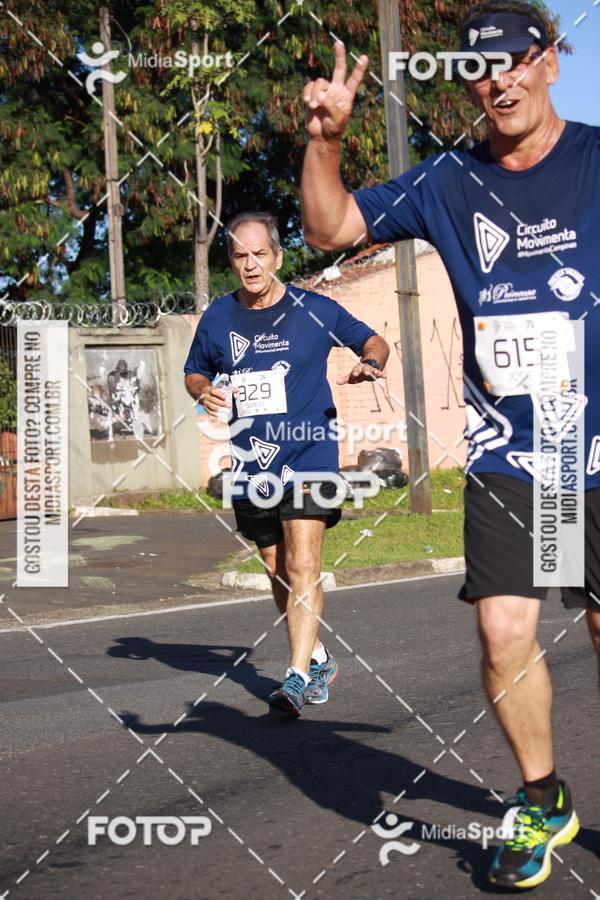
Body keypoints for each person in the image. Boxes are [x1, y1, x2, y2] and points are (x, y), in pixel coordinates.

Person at [300, 0, 600, 888]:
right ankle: (542, 796)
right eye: (479, 67)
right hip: (514, 457)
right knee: (505, 628)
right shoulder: (447, 181)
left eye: (515, 60)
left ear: (551, 60)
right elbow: (328, 231)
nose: (498, 79)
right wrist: (325, 140)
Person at [183, 211, 389, 717]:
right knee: (276, 569)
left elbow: (374, 340)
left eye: (259, 254)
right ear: (231, 260)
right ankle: (318, 658)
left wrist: (372, 364)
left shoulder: (313, 309)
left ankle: (294, 678)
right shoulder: (217, 317)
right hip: (254, 461)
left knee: (302, 563)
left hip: (310, 451)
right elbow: (193, 371)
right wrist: (204, 390)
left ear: (277, 256)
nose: (250, 265)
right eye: (239, 255)